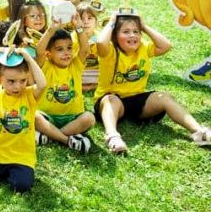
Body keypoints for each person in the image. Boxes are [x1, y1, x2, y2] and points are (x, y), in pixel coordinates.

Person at [94, 14, 211, 154]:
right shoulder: (109, 51)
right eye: (125, 32)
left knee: (164, 97)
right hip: (111, 103)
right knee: (110, 99)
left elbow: (166, 46)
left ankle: (199, 132)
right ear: (115, 35)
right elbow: (101, 43)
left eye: (136, 31)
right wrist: (112, 22)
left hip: (137, 101)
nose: (132, 35)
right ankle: (112, 136)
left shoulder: (143, 48)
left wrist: (144, 26)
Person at [0, 46, 46, 193]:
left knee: (21, 186)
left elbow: (42, 84)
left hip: (22, 157)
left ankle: (10, 172)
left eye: (23, 81)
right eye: (11, 81)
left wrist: (28, 58)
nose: (18, 86)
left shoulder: (29, 95)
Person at [33, 26, 94, 153]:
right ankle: (66, 139)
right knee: (33, 116)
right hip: (47, 117)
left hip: (72, 118)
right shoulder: (45, 66)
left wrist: (79, 27)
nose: (66, 52)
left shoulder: (75, 66)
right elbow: (39, 51)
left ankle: (51, 136)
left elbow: (84, 50)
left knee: (89, 118)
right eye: (60, 49)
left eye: (69, 48)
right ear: (48, 54)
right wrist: (50, 30)